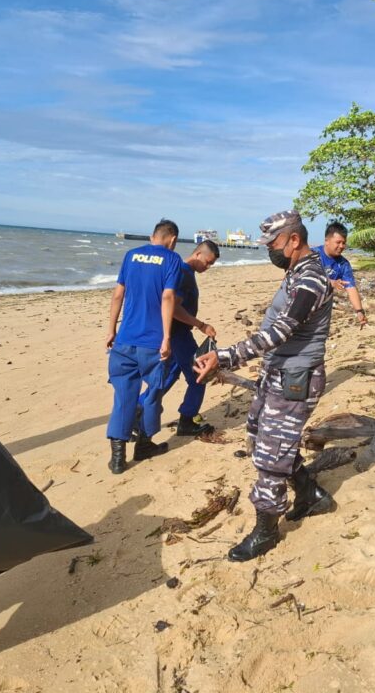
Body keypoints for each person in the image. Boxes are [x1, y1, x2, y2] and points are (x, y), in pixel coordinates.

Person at [195, 210, 336, 562]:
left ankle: (266, 531)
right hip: (278, 374)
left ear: (293, 240)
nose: (269, 250)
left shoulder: (311, 281)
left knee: (271, 458)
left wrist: (225, 357)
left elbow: (278, 332)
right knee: (262, 438)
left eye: (273, 243)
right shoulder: (296, 272)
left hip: (295, 380)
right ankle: (310, 495)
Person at [105, 219, 183, 474]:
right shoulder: (172, 260)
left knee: (123, 396)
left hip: (125, 340)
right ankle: (144, 445)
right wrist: (167, 338)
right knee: (152, 394)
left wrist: (111, 329)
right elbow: (168, 297)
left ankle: (118, 458)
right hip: (152, 342)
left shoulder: (131, 255)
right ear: (171, 239)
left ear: (152, 236)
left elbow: (118, 294)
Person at [162, 240, 220, 437]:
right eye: (207, 262)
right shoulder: (184, 273)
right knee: (199, 376)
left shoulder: (186, 272)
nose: (208, 267)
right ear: (197, 254)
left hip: (175, 334)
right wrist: (201, 325)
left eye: (211, 264)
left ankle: (139, 412)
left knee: (167, 377)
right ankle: (187, 420)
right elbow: (173, 308)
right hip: (179, 335)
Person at [313, 221, 367, 327]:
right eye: (338, 242)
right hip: (302, 303)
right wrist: (329, 282)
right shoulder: (312, 255)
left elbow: (350, 287)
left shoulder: (343, 264)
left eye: (343, 243)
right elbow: (300, 277)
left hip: (323, 309)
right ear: (327, 241)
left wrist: (359, 311)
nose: (341, 246)